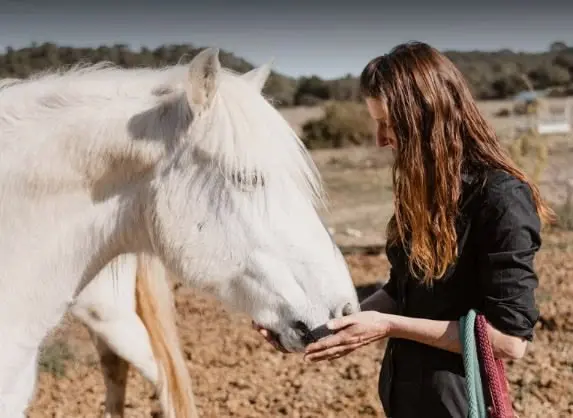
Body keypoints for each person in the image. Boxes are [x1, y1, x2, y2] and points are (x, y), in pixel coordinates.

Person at [253, 41, 555, 417]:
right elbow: (401, 292)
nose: (380, 140)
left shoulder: (501, 197)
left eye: (389, 124)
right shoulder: (425, 194)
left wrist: (388, 325)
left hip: (462, 407)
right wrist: (323, 330)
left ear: (427, 118)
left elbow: (510, 342)